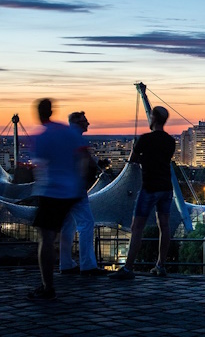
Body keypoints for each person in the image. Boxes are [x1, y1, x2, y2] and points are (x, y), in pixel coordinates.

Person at [28, 98, 85, 300]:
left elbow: (38, 166)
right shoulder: (67, 131)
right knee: (67, 231)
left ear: (39, 113)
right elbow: (83, 155)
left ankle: (48, 286)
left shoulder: (41, 137)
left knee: (46, 239)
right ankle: (68, 264)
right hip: (71, 191)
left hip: (51, 192)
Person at [110, 106, 176, 280]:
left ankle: (129, 267)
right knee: (165, 226)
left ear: (153, 118)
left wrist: (135, 148)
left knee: (136, 227)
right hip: (166, 188)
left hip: (149, 187)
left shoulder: (144, 139)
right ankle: (161, 265)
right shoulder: (170, 141)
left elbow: (133, 160)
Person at [59, 111, 106, 276]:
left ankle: (66, 264)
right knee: (86, 224)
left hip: (62, 189)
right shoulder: (77, 138)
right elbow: (85, 160)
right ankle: (88, 265)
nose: (88, 123)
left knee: (68, 226)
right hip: (76, 189)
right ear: (77, 122)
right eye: (85, 120)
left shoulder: (63, 138)